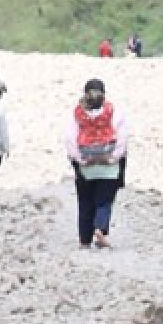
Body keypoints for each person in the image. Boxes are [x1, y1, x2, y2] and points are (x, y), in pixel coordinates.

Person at [64, 78, 128, 248]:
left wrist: (81, 159)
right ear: (104, 95)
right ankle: (100, 228)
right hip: (109, 169)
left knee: (85, 202)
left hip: (86, 168)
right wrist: (112, 158)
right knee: (104, 201)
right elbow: (122, 139)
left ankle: (84, 241)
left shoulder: (78, 114)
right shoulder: (115, 113)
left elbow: (70, 139)